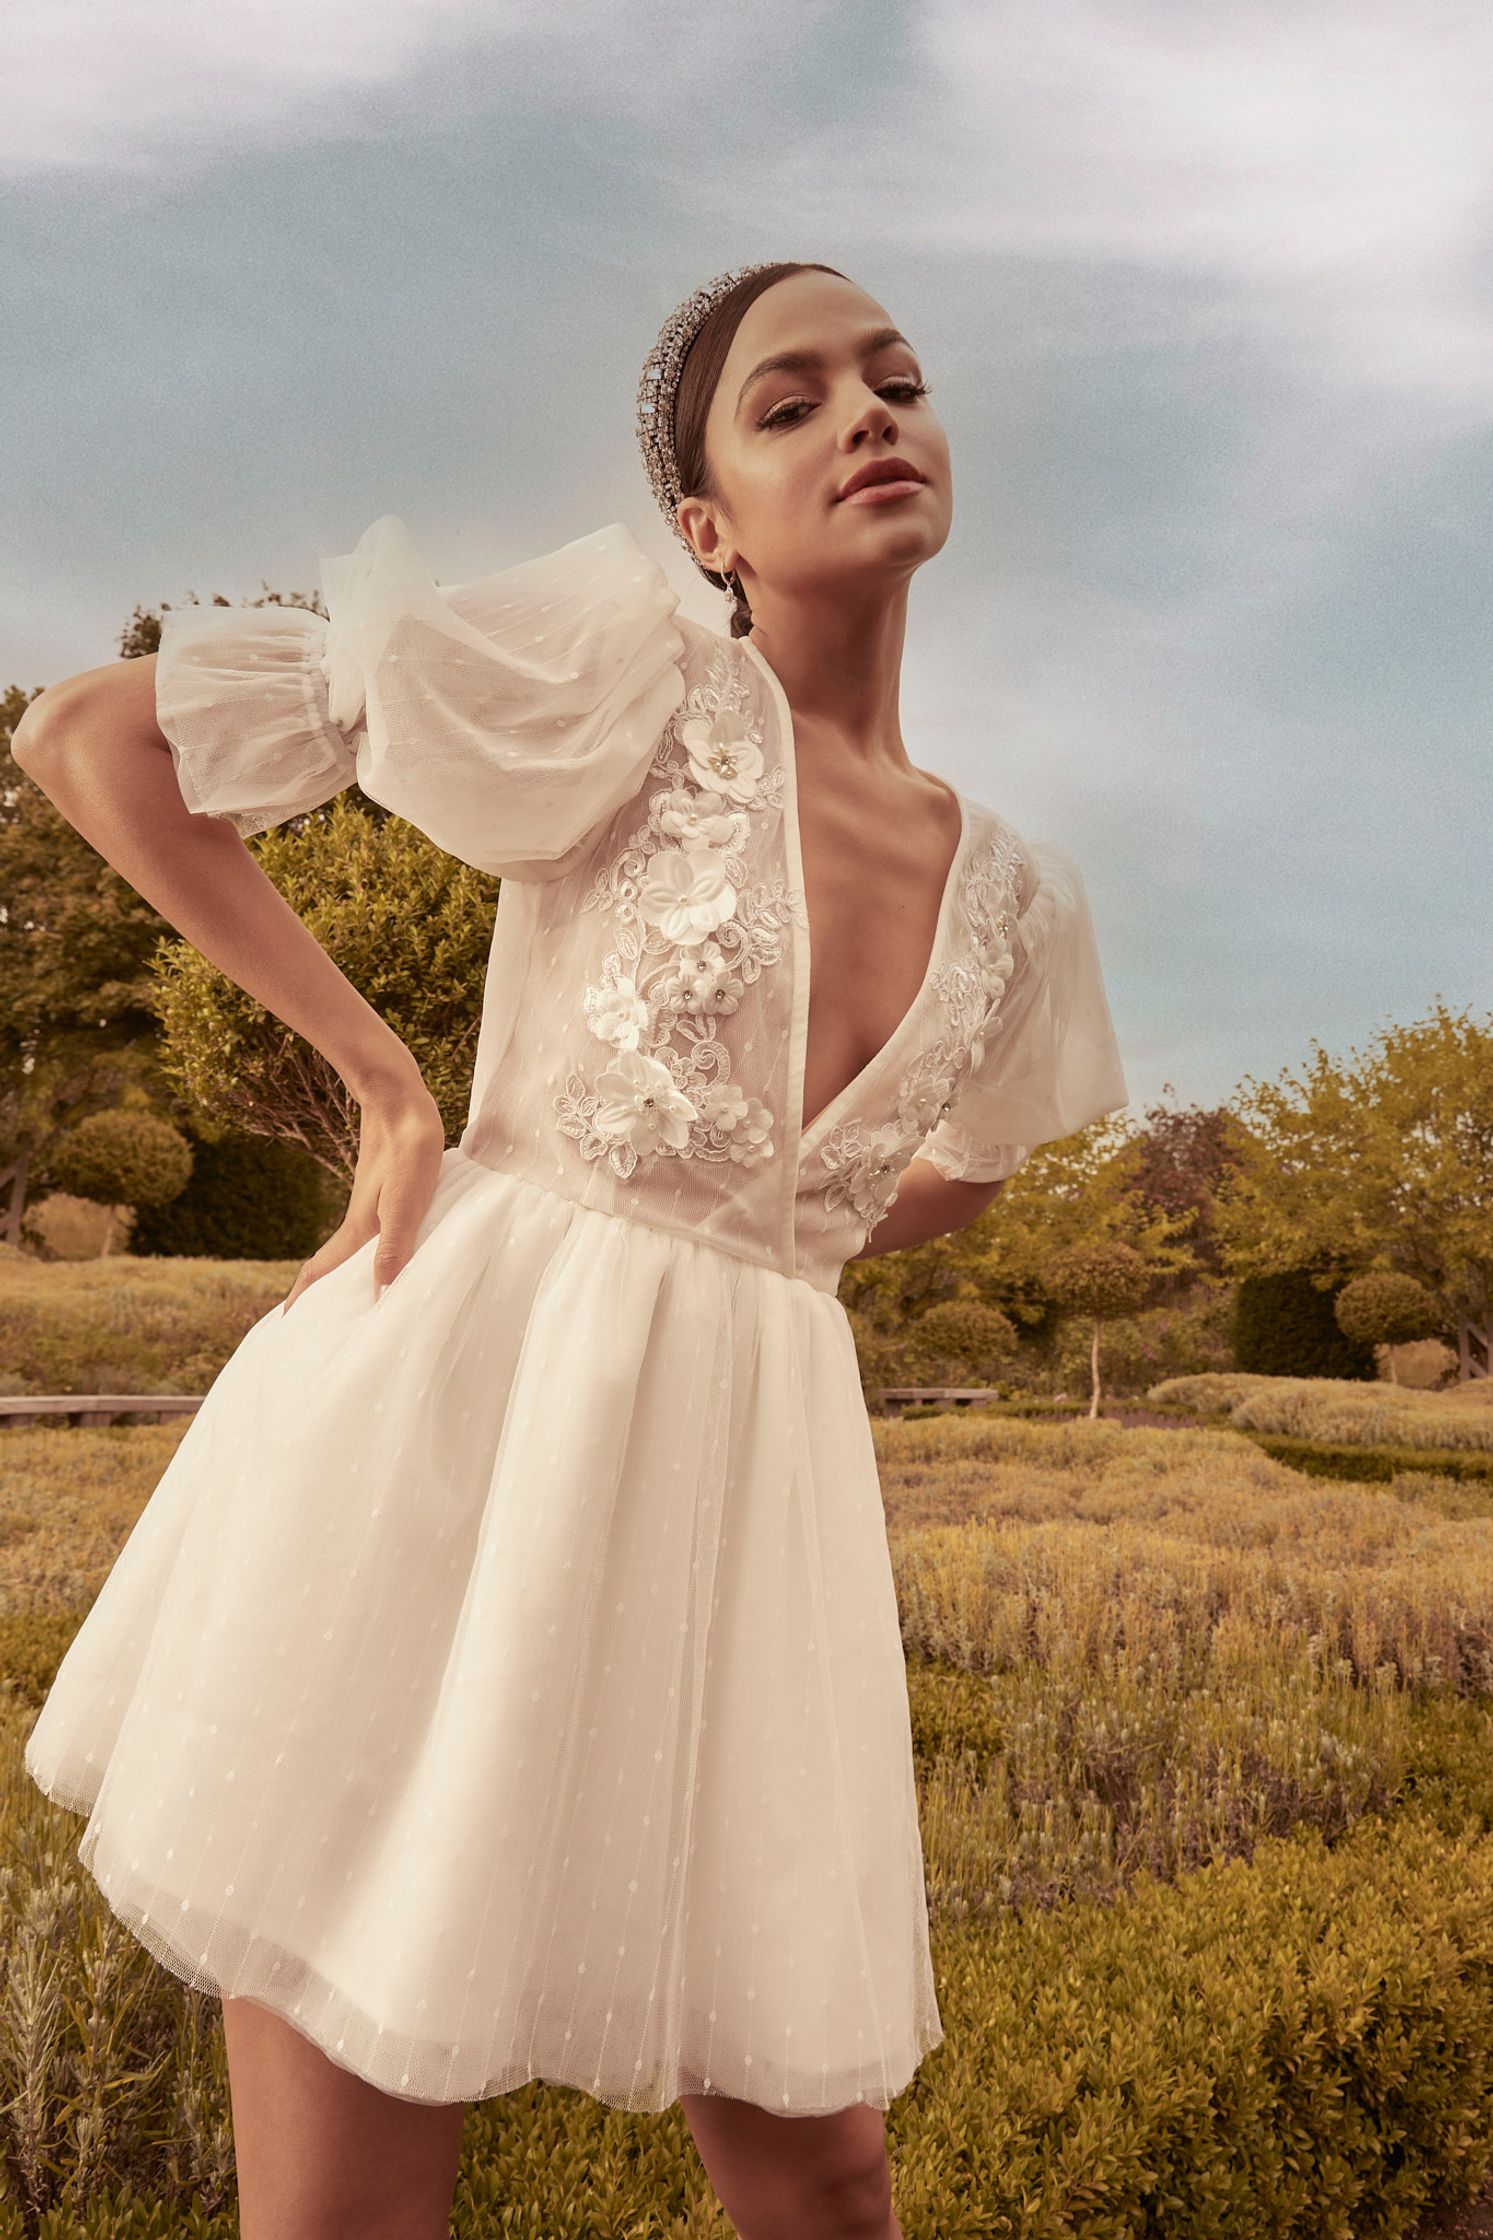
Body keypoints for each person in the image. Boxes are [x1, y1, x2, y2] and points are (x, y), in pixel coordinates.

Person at [13, 259, 1129, 2240]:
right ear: (704, 530)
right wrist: (382, 1078)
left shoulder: (1017, 896)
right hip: (438, 1458)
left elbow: (971, 1157)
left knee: (831, 2168)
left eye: (895, 379)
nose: (865, 413)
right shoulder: (643, 685)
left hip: (745, 1522)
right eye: (786, 405)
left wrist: (776, 1260)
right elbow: (100, 739)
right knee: (357, 2187)